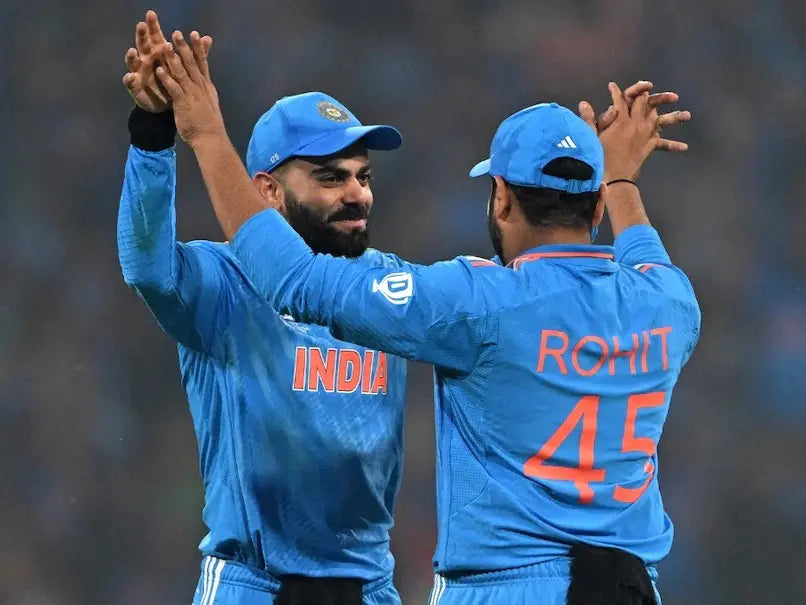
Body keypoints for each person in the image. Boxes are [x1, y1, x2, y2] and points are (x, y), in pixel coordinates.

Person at [154, 30, 700, 604]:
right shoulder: (669, 302)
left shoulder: (475, 301)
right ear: (596, 207)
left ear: (501, 199)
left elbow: (296, 279)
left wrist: (207, 135)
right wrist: (617, 178)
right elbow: (641, 248)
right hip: (631, 589)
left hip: (503, 589)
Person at [119, 12, 409, 605]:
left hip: (369, 585)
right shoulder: (224, 280)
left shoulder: (395, 284)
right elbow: (147, 266)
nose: (356, 193)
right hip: (256, 583)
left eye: (363, 176)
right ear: (268, 191)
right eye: (330, 177)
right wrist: (154, 136)